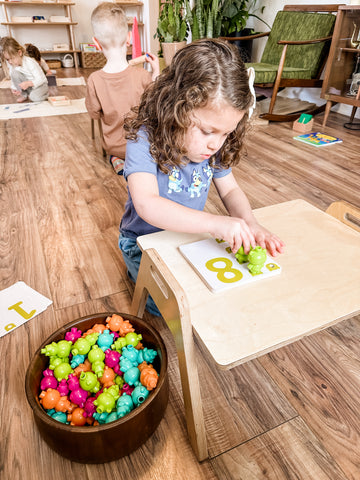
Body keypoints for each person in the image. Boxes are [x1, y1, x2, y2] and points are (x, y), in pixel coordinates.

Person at [120, 39, 285, 315]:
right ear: (176, 107)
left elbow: (230, 191)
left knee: (212, 294)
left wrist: (251, 223)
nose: (215, 144)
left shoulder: (214, 147)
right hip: (142, 244)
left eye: (226, 133)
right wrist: (214, 223)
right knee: (169, 309)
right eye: (208, 131)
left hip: (190, 237)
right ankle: (132, 271)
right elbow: (147, 204)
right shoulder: (143, 138)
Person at [85, 2, 159, 175]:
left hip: (115, 146)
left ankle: (116, 158)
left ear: (96, 43)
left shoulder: (94, 80)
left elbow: (94, 114)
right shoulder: (142, 75)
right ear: (129, 38)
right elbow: (156, 102)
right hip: (143, 146)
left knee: (115, 149)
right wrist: (155, 71)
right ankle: (138, 160)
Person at [0, 36, 49, 103]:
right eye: (8, 59)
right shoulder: (13, 65)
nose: (10, 62)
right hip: (29, 86)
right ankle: (24, 95)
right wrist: (14, 87)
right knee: (14, 73)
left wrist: (29, 83)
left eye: (12, 58)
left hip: (40, 85)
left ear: (19, 53)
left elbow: (41, 79)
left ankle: (45, 94)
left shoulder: (30, 62)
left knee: (34, 98)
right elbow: (13, 77)